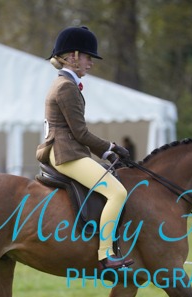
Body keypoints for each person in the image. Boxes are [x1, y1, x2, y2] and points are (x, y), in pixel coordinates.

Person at [36, 26, 134, 271]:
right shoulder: (66, 87)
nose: (90, 63)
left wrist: (107, 152)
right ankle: (106, 254)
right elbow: (80, 133)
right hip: (66, 153)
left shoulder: (65, 84)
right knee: (117, 193)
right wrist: (110, 148)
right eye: (88, 57)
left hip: (67, 150)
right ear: (73, 56)